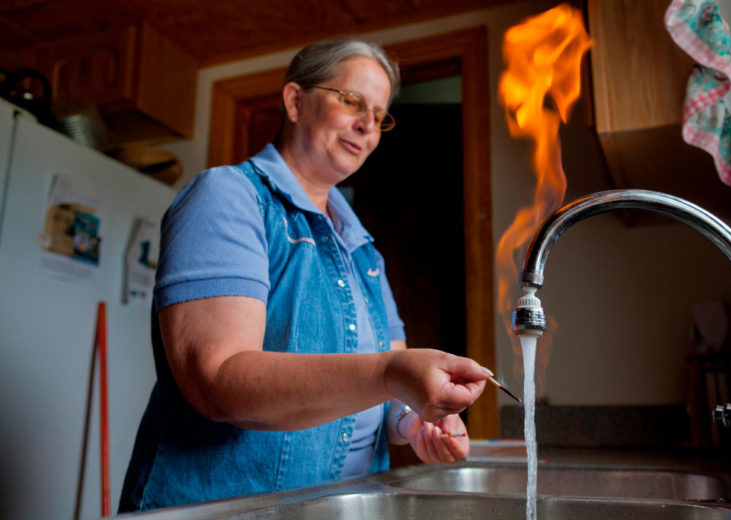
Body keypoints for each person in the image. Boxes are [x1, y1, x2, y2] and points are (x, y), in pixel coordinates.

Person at [118, 36, 492, 512]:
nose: (366, 125)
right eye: (352, 101)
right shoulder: (229, 197)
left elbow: (390, 392)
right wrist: (393, 373)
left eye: (379, 115)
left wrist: (417, 420)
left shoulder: (362, 250)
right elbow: (219, 382)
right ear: (295, 101)